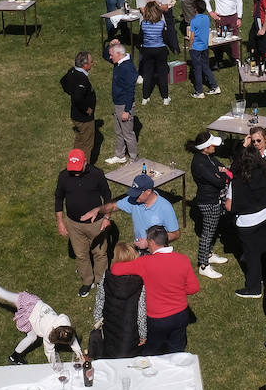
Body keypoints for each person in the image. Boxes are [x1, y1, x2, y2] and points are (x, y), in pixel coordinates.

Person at [110, 225, 200, 354]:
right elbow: (194, 288)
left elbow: (115, 269)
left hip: (158, 319)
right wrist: (177, 290)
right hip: (181, 315)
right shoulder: (183, 259)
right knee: (177, 351)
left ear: (151, 242)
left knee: (153, 352)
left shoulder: (145, 262)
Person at [0, 277, 83, 365]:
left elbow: (70, 336)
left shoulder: (64, 320)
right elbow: (50, 353)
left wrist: (79, 354)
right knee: (32, 337)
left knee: (4, 294)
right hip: (30, 315)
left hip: (32, 303)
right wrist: (56, 367)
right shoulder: (49, 336)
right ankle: (14, 356)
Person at [54, 148, 114, 297]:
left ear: (85, 162)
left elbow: (107, 194)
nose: (75, 172)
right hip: (74, 224)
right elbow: (58, 199)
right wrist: (60, 222)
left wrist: (107, 217)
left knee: (100, 253)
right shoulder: (64, 176)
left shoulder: (97, 174)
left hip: (97, 222)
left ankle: (101, 281)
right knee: (81, 255)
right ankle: (87, 281)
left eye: (78, 168)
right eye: (72, 169)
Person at [228, 143, 266, 300]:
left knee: (252, 256)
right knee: (264, 250)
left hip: (247, 223)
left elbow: (229, 206)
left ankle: (254, 288)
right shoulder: (265, 173)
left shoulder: (237, 181)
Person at [85, 174, 181, 247]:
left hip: (157, 252)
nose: (134, 196)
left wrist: (150, 243)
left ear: (148, 191)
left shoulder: (165, 207)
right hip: (139, 250)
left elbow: (175, 234)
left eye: (137, 193)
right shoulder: (133, 200)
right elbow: (113, 206)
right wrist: (98, 209)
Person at [90, 240, 148, 358]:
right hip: (131, 330)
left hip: (110, 326)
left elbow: (100, 300)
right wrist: (143, 334)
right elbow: (141, 311)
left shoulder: (108, 276)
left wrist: (98, 321)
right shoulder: (140, 280)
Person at [187, 131, 231, 279]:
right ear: (205, 148)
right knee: (207, 233)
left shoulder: (208, 157)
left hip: (214, 199)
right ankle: (203, 264)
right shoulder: (200, 163)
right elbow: (220, 181)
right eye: (213, 145)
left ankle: (209, 254)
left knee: (212, 230)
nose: (215, 147)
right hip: (208, 202)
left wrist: (222, 172)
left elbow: (223, 168)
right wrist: (223, 174)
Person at [103, 41, 139, 165]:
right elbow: (104, 55)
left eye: (112, 54)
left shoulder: (127, 68)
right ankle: (120, 155)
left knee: (128, 134)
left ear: (119, 54)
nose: (110, 57)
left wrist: (127, 110)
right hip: (118, 104)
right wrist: (110, 45)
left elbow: (130, 91)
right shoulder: (118, 62)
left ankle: (134, 159)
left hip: (124, 105)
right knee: (118, 132)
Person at [60, 51, 97, 156]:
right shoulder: (82, 79)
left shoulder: (72, 71)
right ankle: (84, 168)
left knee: (79, 140)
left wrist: (70, 91)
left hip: (75, 115)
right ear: (85, 65)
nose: (92, 63)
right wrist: (87, 109)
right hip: (83, 118)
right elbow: (77, 98)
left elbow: (63, 81)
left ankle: (75, 163)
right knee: (87, 144)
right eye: (91, 62)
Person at [203, 0, 243, 65]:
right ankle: (218, 59)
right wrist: (211, 12)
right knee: (220, 39)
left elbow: (239, 2)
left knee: (234, 38)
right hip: (221, 18)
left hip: (233, 17)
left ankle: (235, 58)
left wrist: (239, 17)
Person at [137, 1, 171, 106]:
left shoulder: (143, 24)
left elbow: (140, 38)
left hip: (147, 50)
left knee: (147, 74)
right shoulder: (161, 24)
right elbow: (166, 38)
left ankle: (145, 97)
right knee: (162, 74)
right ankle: (165, 97)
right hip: (160, 49)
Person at [185, 0, 220, 98]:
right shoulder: (206, 18)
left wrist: (190, 46)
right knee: (205, 66)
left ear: (195, 9)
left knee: (197, 69)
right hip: (205, 47)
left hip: (196, 48)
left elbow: (192, 36)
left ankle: (199, 91)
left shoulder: (194, 21)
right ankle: (215, 86)